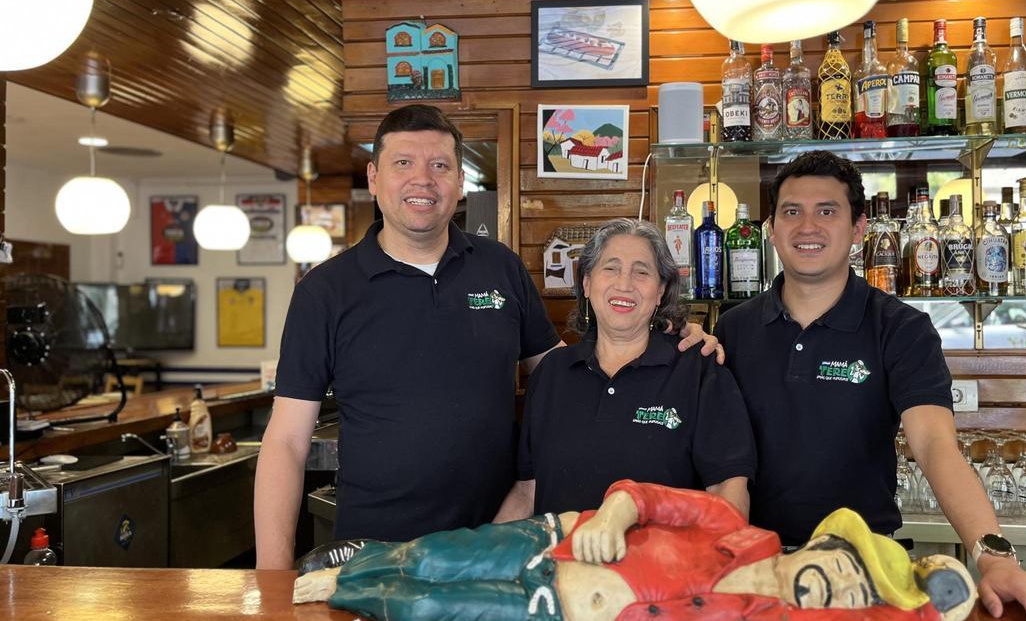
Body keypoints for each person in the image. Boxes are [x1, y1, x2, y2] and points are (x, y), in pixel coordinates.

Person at [255, 105, 718, 569]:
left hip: (498, 544)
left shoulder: (499, 267)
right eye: (403, 163)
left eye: (439, 166)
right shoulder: (325, 291)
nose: (423, 179)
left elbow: (569, 374)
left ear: (459, 182)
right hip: (377, 549)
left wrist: (662, 337)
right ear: (374, 177)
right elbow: (287, 443)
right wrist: (271, 577)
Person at [713, 150, 1026, 621]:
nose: (807, 226)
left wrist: (996, 559)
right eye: (792, 211)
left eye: (827, 211)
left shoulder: (900, 328)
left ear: (858, 230)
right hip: (752, 568)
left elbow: (935, 444)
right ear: (771, 228)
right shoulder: (733, 328)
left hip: (865, 569)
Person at [293, 480, 978, 621]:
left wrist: (922, 608)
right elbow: (648, 495)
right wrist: (618, 515)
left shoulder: (763, 617)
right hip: (554, 542)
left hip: (556, 610)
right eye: (845, 565)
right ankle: (370, 557)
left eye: (851, 594)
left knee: (420, 612)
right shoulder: (732, 526)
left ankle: (353, 588)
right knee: (436, 555)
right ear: (823, 544)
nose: (838, 586)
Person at [504, 218, 755, 519]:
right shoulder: (552, 373)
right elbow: (527, 490)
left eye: (642, 271)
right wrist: (480, 559)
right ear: (586, 283)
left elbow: (728, 489)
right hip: (562, 564)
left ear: (661, 290)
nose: (624, 284)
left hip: (661, 565)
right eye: (610, 268)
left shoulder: (699, 369)